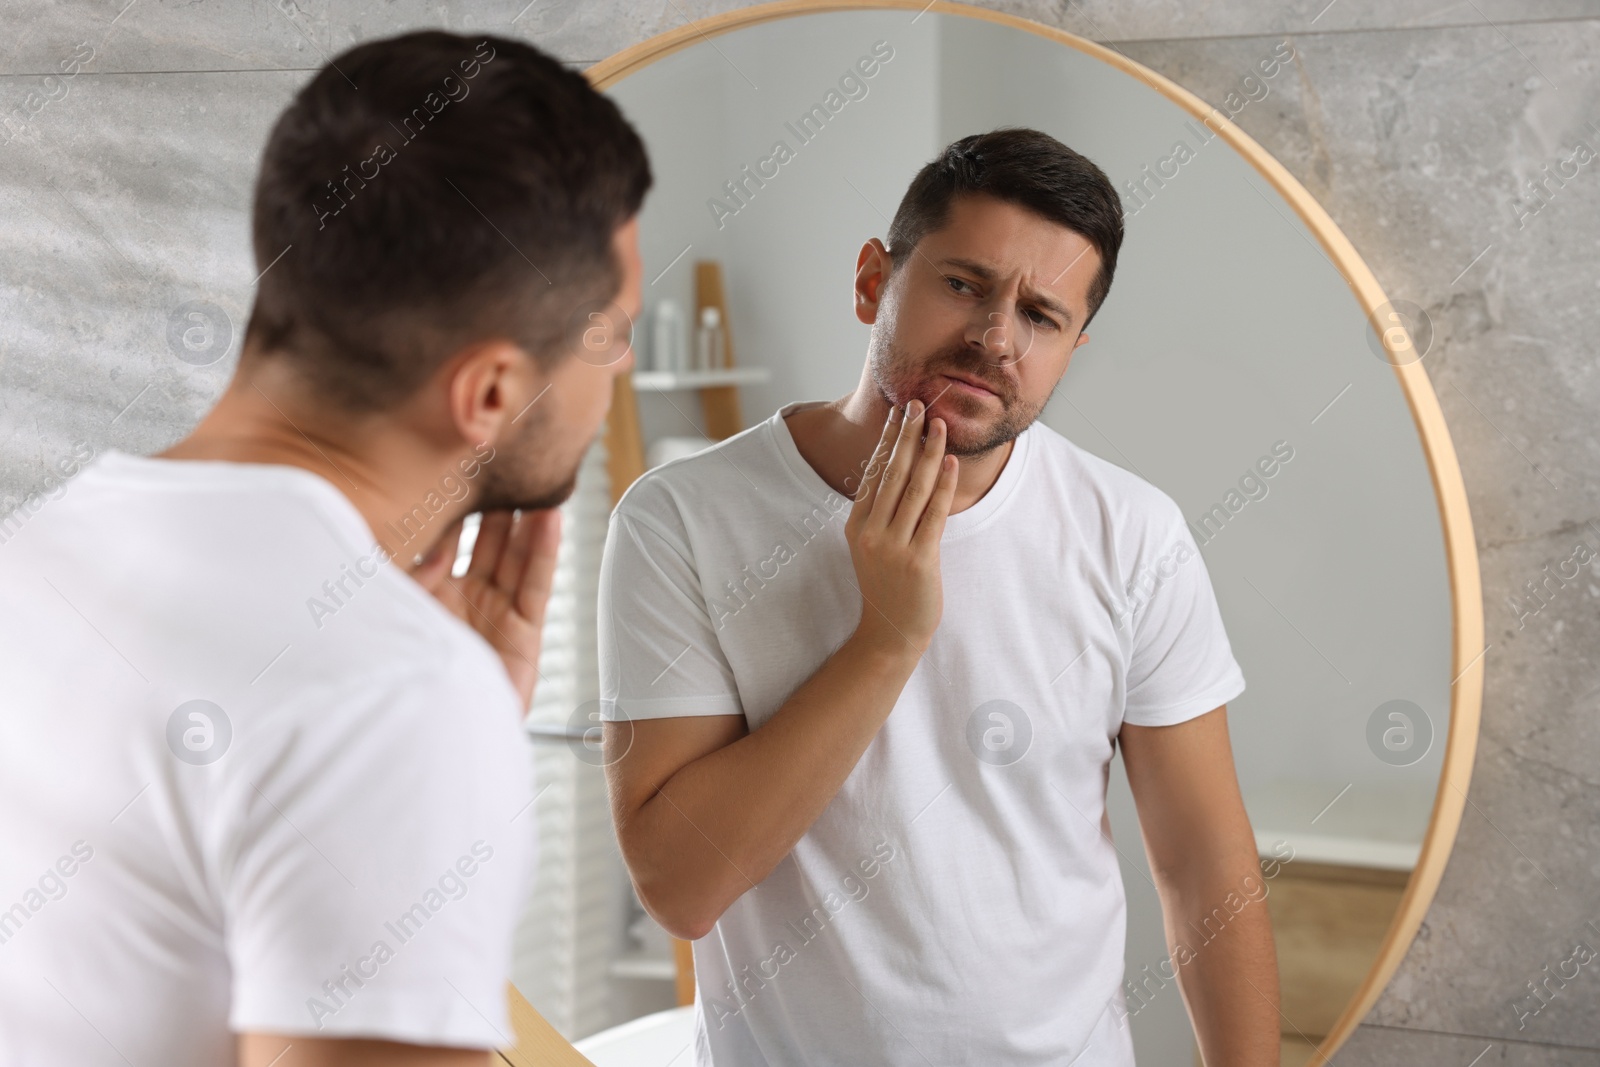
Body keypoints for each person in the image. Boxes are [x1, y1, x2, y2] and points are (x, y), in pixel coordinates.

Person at [0, 30, 649, 1067]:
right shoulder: (390, 692)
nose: (616, 370)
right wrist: (427, 727)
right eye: (611, 334)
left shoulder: (31, 552)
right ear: (489, 391)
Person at [598, 127, 1279, 1065]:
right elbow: (681, 886)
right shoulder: (680, 517)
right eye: (964, 284)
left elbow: (1204, 866)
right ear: (874, 279)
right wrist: (884, 641)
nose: (995, 338)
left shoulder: (1132, 534)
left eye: (1041, 316)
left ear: (1073, 346)